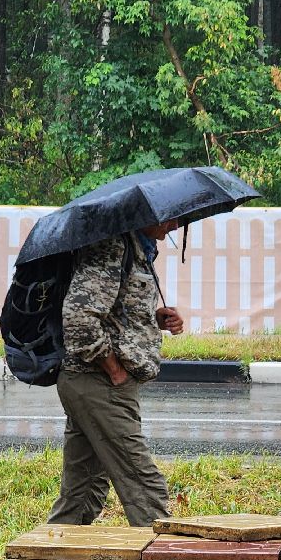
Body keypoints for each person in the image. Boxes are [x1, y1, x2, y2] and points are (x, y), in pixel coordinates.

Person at [46, 220, 186, 528]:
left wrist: (154, 319)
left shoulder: (138, 251)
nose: (175, 226)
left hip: (94, 383)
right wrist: (114, 369)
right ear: (147, 215)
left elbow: (112, 312)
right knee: (143, 485)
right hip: (99, 383)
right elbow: (79, 317)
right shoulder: (112, 248)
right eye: (172, 218)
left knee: (83, 492)